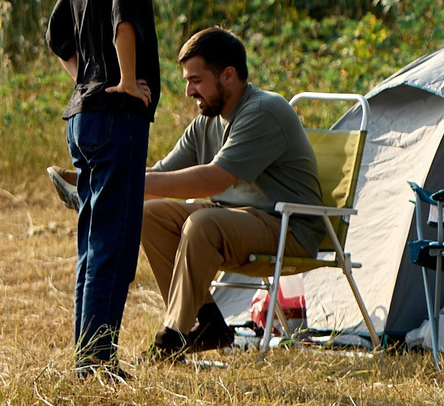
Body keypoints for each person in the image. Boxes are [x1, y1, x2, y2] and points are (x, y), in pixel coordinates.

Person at [46, 0, 172, 379]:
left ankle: (87, 357)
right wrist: (122, 81)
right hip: (117, 120)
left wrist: (87, 79)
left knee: (92, 241)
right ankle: (97, 361)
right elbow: (124, 21)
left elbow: (57, 34)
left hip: (83, 118)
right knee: (114, 244)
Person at [138, 27, 326, 360]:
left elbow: (215, 180)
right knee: (150, 215)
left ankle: (173, 337)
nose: (188, 91)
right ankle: (208, 323)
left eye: (196, 80)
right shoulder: (206, 122)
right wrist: (107, 183)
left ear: (228, 75)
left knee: (202, 223)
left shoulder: (264, 110)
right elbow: (161, 173)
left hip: (288, 227)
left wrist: (130, 187)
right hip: (237, 223)